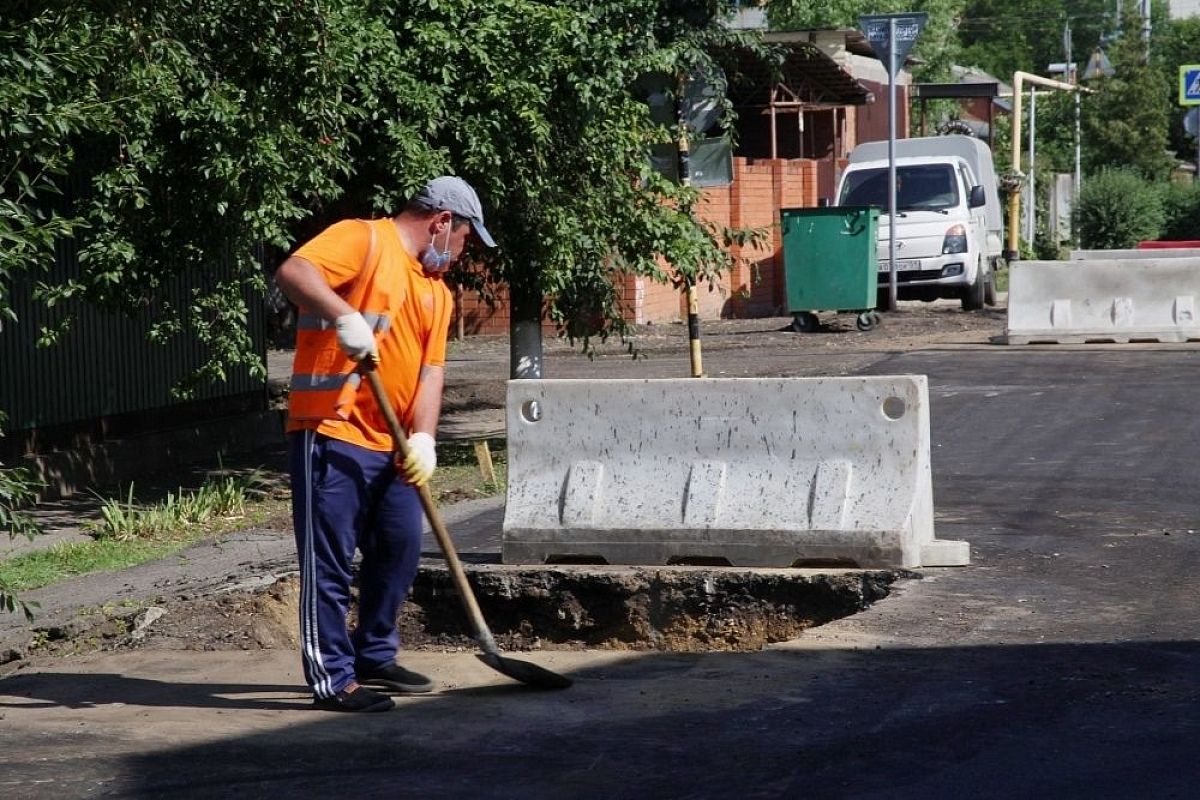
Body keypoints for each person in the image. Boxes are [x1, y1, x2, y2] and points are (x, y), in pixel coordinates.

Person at [274, 176, 496, 712]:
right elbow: (293, 271)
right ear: (443, 221)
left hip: (393, 447)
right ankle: (333, 678)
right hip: (332, 432)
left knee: (397, 549)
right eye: (466, 239)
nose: (462, 254)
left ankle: (374, 653)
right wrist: (345, 316)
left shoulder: (436, 291)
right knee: (328, 562)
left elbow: (431, 373)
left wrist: (423, 436)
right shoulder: (364, 240)